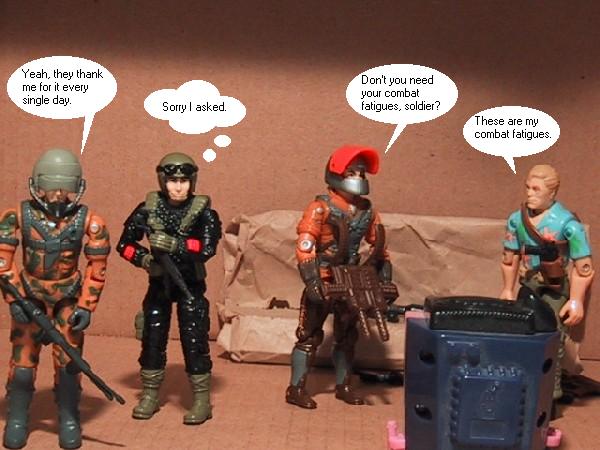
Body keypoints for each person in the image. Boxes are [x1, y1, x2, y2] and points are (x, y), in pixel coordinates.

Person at [0, 149, 110, 449]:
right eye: (51, 187)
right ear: (38, 184)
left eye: (65, 188)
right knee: (22, 362)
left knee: (69, 362)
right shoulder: (16, 216)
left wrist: (86, 306)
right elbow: (3, 261)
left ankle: (69, 417)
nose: (58, 195)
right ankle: (18, 418)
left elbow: (97, 266)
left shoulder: (89, 220)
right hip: (29, 299)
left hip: (67, 301)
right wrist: (15, 299)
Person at [285, 145, 394, 409]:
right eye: (351, 172)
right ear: (336, 174)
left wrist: (384, 280)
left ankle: (344, 385)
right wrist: (313, 281)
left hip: (351, 280)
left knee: (347, 337)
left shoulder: (367, 211)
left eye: (361, 172)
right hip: (324, 278)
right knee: (309, 337)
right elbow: (305, 245)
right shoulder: (320, 208)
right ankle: (296, 388)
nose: (358, 177)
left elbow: (380, 248)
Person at [117, 152, 221, 424]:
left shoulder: (204, 213)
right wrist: (146, 260)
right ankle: (150, 394)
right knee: (152, 339)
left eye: (184, 181)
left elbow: (207, 248)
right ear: (163, 181)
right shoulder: (147, 209)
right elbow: (124, 245)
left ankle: (201, 400)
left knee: (194, 341)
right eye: (173, 180)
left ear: (192, 181)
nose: (178, 187)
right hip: (159, 285)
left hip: (190, 285)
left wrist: (177, 245)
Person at [500, 164, 594, 400]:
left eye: (536, 189)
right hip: (528, 284)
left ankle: (549, 394)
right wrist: (508, 289)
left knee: (553, 339)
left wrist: (576, 300)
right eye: (528, 187)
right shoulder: (517, 220)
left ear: (551, 193)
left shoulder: (566, 224)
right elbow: (509, 258)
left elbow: (583, 269)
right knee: (520, 333)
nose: (529, 193)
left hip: (554, 288)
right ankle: (519, 387)